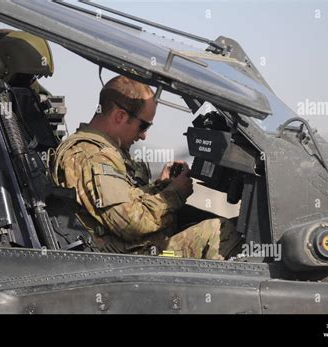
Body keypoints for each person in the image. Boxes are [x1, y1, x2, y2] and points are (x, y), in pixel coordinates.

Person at [53, 75, 241, 260]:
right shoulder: (92, 156)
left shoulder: (103, 151)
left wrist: (161, 186)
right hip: (128, 262)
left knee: (230, 224)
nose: (143, 136)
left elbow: (126, 202)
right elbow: (131, 223)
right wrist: (173, 194)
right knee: (220, 232)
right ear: (120, 116)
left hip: (135, 252)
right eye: (143, 126)